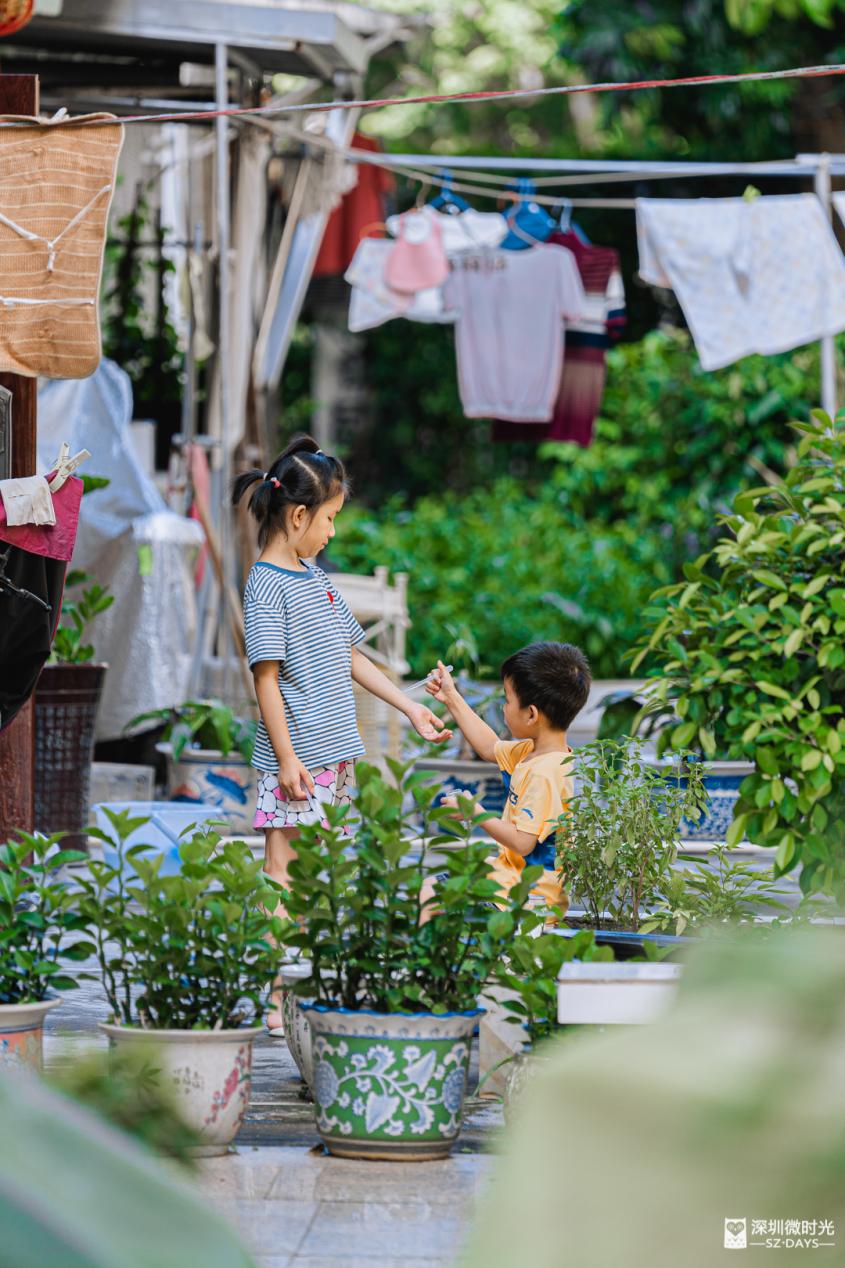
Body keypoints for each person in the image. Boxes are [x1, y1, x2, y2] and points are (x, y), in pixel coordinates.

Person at [232, 434, 451, 1030]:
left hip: (335, 756)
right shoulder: (265, 585)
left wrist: (408, 707)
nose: (332, 531)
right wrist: (285, 760)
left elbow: (353, 654)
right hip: (296, 759)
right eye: (329, 519)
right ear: (299, 515)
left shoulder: (318, 580)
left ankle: (312, 984)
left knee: (327, 871)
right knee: (282, 871)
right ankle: (277, 993)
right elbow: (267, 680)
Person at [425, 642, 591, 913]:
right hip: (508, 881)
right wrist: (452, 697)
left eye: (507, 699)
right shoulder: (533, 751)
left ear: (531, 714)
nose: (503, 707)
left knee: (432, 897)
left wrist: (474, 813)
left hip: (526, 898)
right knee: (431, 892)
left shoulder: (546, 772)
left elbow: (523, 843)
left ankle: (424, 956)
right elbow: (490, 747)